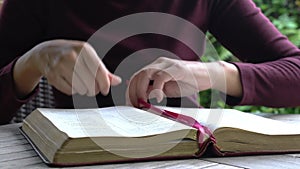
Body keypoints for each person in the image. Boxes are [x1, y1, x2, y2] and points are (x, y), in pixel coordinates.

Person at [0, 0, 300, 125]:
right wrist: (32, 62)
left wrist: (214, 73)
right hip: (78, 152)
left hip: (185, 154)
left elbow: (295, 72)